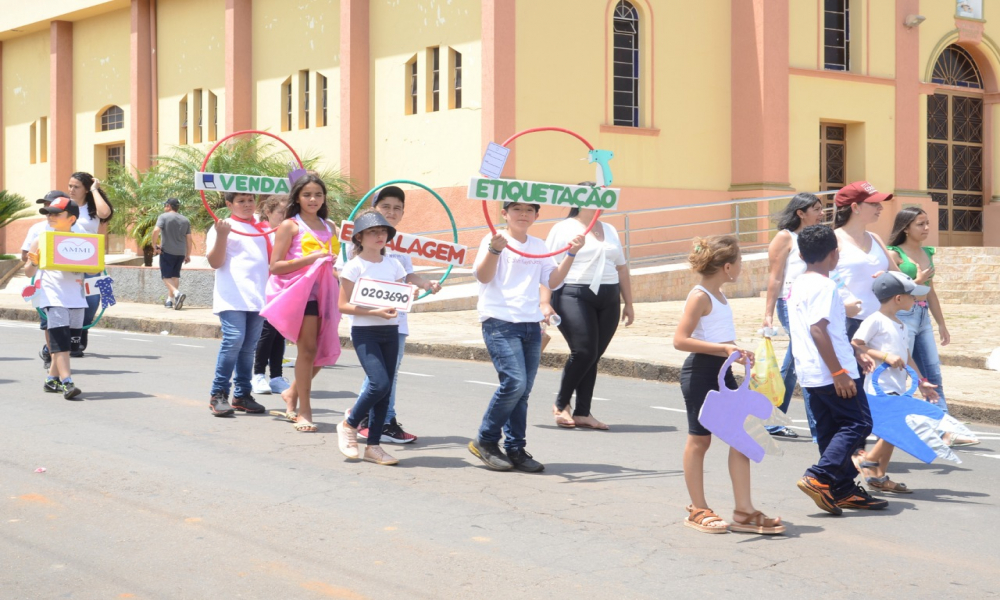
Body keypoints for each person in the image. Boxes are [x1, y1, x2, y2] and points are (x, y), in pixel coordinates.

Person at [673, 235, 783, 535]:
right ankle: (698, 508)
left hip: (721, 374)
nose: (742, 269)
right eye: (741, 264)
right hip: (699, 374)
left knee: (741, 439)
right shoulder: (700, 296)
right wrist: (723, 349)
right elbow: (680, 340)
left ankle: (744, 512)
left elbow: (718, 338)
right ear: (727, 266)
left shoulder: (720, 296)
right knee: (700, 440)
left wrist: (736, 352)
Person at [468, 201, 584, 473]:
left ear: (536, 216)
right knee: (515, 383)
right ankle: (485, 440)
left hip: (531, 323)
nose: (523, 215)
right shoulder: (493, 238)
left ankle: (516, 448)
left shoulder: (539, 245)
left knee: (523, 392)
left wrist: (571, 254)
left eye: (529, 211)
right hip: (499, 320)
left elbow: (553, 282)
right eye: (516, 209)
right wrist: (495, 250)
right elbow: (483, 277)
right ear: (505, 214)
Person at [789, 225, 886, 515]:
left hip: (810, 370)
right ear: (834, 254)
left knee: (831, 431)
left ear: (802, 254)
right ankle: (819, 476)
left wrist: (853, 352)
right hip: (831, 372)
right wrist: (838, 372)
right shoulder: (825, 285)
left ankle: (841, 489)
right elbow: (818, 330)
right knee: (859, 424)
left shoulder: (798, 283)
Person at [349, 186, 441, 444]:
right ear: (374, 209)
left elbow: (405, 276)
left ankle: (375, 421)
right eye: (385, 206)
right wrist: (372, 298)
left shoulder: (400, 246)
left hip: (395, 321)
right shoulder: (357, 240)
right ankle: (366, 420)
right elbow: (344, 275)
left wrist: (424, 284)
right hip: (367, 321)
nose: (391, 212)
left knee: (390, 374)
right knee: (378, 377)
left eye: (397, 208)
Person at [542, 185, 635, 430]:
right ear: (579, 199)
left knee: (594, 355)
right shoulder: (563, 228)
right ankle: (561, 404)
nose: (601, 201)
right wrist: (544, 302)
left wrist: (629, 302)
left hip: (609, 297)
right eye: (596, 196)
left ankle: (583, 411)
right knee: (583, 351)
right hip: (573, 293)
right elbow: (547, 266)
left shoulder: (611, 229)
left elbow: (622, 267)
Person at [885, 208, 975, 446]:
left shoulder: (926, 252)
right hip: (904, 315)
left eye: (927, 223)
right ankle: (887, 425)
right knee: (902, 373)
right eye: (920, 224)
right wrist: (917, 280)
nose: (926, 228)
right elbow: (892, 291)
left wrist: (941, 324)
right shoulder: (894, 254)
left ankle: (946, 431)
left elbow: (931, 292)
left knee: (932, 373)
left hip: (923, 316)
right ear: (905, 228)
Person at [262, 177, 342, 432]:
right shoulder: (289, 225)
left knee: (324, 351)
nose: (313, 199)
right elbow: (275, 266)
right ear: (297, 197)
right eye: (307, 194)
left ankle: (291, 392)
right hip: (302, 294)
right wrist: (311, 259)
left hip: (329, 294)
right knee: (307, 350)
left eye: (318, 194)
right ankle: (304, 411)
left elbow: (341, 261)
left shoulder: (330, 226)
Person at [851, 271, 938, 494]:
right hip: (880, 387)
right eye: (912, 296)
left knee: (889, 434)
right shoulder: (875, 320)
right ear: (898, 298)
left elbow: (907, 356)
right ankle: (868, 460)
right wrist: (884, 356)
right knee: (896, 428)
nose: (916, 300)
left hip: (898, 387)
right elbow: (857, 343)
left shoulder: (901, 325)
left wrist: (921, 382)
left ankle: (879, 477)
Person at [337, 210, 406, 465]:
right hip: (365, 331)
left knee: (385, 390)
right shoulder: (354, 266)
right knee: (378, 383)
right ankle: (349, 423)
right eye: (373, 232)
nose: (379, 236)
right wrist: (374, 311)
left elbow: (400, 298)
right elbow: (342, 305)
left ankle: (374, 446)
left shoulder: (394, 264)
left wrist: (409, 296)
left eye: (383, 231)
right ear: (359, 237)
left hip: (391, 330)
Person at [762, 193, 826, 440]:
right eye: (816, 209)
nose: (822, 214)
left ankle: (772, 418)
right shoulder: (785, 237)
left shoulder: (813, 237)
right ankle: (779, 419)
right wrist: (768, 313)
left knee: (795, 361)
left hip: (812, 303)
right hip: (789, 303)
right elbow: (775, 277)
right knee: (801, 358)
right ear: (800, 212)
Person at [205, 192, 270, 417]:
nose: (247, 205)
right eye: (241, 201)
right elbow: (215, 262)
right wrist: (222, 235)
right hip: (231, 296)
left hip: (257, 297)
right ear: (229, 204)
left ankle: (242, 395)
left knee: (248, 347)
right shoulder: (221, 227)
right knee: (233, 340)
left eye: (250, 200)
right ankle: (218, 394)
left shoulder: (264, 228)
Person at [24, 195, 92, 400]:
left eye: (56, 214)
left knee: (70, 345)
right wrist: (33, 262)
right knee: (60, 342)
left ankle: (51, 379)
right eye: (48, 213)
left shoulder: (85, 241)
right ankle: (67, 383)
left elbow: (95, 267)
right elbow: (28, 272)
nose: (50, 217)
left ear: (71, 219)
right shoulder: (40, 239)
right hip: (52, 296)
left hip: (77, 298)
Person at [831, 181, 897, 342]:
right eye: (874, 204)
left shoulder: (875, 238)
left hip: (880, 321)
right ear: (855, 207)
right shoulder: (832, 239)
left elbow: (898, 275)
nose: (880, 208)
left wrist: (887, 276)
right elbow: (826, 275)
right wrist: (844, 303)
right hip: (847, 323)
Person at [66, 172, 114, 357]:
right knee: (69, 299)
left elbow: (105, 213)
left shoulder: (93, 208)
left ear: (86, 189)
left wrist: (95, 190)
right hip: (67, 260)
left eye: (76, 186)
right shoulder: (65, 205)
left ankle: (82, 329)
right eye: (70, 186)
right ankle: (72, 336)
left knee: (92, 300)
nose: (71, 190)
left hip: (90, 260)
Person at [252, 195, 291, 396]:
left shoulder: (289, 232)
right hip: (266, 289)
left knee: (279, 333)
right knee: (266, 333)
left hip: (284, 289)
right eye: (280, 213)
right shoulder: (261, 232)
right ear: (268, 212)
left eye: (287, 213)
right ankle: (258, 374)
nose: (285, 217)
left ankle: (276, 376)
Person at [21, 192, 58, 370]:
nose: (48, 211)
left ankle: (52, 355)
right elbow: (25, 257)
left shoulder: (76, 230)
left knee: (67, 331)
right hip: (43, 284)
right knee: (49, 324)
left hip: (71, 288)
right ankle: (54, 365)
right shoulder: (37, 230)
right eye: (46, 207)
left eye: (52, 206)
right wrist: (37, 258)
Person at [152, 197, 193, 310]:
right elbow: (189, 238)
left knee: (166, 276)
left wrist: (154, 245)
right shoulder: (185, 220)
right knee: (174, 276)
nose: (164, 207)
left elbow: (156, 231)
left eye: (165, 205)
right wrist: (188, 254)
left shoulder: (163, 217)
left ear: (169, 206)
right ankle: (170, 301)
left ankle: (177, 293)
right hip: (180, 253)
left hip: (167, 251)